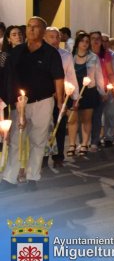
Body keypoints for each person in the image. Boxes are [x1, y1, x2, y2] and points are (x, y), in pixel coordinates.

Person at [0, 17, 64, 191]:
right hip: (20, 103)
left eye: (36, 27)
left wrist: (60, 102)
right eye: (29, 26)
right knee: (15, 139)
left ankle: (32, 176)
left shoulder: (51, 53)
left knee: (38, 140)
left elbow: (58, 78)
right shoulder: (16, 52)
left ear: (43, 31)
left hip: (43, 101)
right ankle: (9, 177)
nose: (31, 30)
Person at [43, 27, 79, 167]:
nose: (55, 40)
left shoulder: (66, 55)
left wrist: (75, 97)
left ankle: (58, 157)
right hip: (43, 96)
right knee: (44, 127)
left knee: (60, 125)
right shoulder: (40, 54)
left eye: (57, 37)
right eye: (51, 37)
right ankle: (44, 156)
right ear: (45, 38)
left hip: (61, 96)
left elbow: (71, 75)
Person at [67, 33, 105, 157]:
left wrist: (102, 91)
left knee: (86, 119)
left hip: (88, 91)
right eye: (82, 41)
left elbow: (98, 75)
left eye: (87, 42)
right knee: (72, 119)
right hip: (73, 91)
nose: (84, 43)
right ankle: (72, 144)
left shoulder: (93, 57)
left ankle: (84, 143)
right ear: (77, 42)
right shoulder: (70, 56)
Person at [89, 31, 114, 151]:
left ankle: (95, 140)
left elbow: (110, 73)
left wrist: (110, 88)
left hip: (102, 89)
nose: (96, 41)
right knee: (86, 117)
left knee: (97, 116)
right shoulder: (85, 54)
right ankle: (85, 141)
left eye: (98, 38)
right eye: (93, 38)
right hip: (88, 89)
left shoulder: (105, 55)